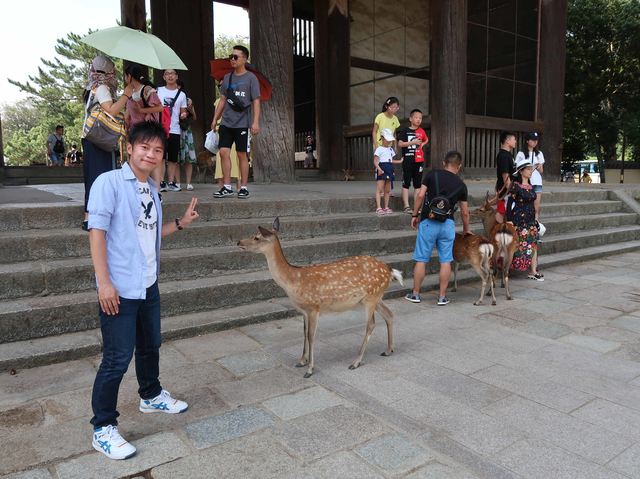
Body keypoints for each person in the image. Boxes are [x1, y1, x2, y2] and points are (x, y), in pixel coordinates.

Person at [87, 121, 199, 460]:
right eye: (144, 148)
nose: (150, 154)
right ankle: (103, 428)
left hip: (147, 283)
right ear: (130, 149)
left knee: (151, 344)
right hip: (119, 288)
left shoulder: (151, 187)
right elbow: (97, 233)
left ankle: (150, 396)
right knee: (117, 359)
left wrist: (180, 223)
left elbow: (149, 233)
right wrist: (103, 282)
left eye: (157, 150)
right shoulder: (109, 183)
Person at [406, 150, 471, 306]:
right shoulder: (462, 186)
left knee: (421, 260)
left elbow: (420, 196)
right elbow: (465, 212)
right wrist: (465, 229)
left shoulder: (431, 174)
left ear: (444, 163)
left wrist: (415, 215)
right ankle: (442, 296)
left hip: (428, 222)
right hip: (447, 225)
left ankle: (415, 294)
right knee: (446, 261)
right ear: (459, 166)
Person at [81, 56, 134, 231]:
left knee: (92, 177)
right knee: (103, 178)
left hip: (90, 136)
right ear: (109, 71)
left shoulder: (91, 86)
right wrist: (127, 94)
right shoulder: (102, 87)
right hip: (100, 139)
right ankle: (99, 216)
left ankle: (89, 217)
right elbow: (111, 109)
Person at [210, 45, 261, 199]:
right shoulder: (227, 78)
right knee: (224, 152)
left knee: (241, 155)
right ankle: (226, 186)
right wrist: (215, 119)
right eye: (231, 56)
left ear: (244, 60)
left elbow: (257, 101)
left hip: (242, 123)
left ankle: (244, 187)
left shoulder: (251, 78)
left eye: (235, 57)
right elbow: (223, 100)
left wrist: (255, 122)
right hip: (226, 122)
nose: (232, 59)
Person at [123, 63, 165, 197]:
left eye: (125, 76)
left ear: (129, 76)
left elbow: (159, 108)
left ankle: (157, 192)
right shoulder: (130, 92)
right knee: (136, 160)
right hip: (135, 131)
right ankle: (139, 189)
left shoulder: (146, 89)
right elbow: (128, 112)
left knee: (152, 160)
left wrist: (141, 110)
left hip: (148, 131)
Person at [506, 157, 544, 281]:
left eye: (531, 169)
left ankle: (533, 271)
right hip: (519, 221)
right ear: (521, 171)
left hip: (530, 221)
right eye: (527, 169)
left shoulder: (531, 186)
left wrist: (535, 219)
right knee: (516, 244)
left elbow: (533, 204)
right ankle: (506, 269)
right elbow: (510, 202)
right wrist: (509, 219)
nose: (530, 171)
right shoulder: (516, 186)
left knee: (533, 244)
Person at [157, 69, 188, 192]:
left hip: (175, 128)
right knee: (161, 156)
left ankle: (171, 181)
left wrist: (184, 115)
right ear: (164, 77)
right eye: (167, 74)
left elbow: (183, 110)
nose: (170, 76)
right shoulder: (158, 91)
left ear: (176, 77)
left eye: (173, 74)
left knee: (173, 158)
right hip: (161, 128)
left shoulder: (181, 95)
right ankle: (161, 181)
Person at [397, 109, 428, 213]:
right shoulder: (405, 131)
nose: (418, 120)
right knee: (406, 183)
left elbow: (426, 139)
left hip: (419, 160)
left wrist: (422, 144)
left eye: (420, 118)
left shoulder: (421, 131)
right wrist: (413, 142)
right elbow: (400, 144)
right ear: (410, 119)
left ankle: (416, 206)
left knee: (418, 184)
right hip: (408, 160)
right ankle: (406, 206)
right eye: (416, 117)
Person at [372, 96, 400, 197]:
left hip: (389, 146)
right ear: (386, 106)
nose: (394, 111)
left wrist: (395, 146)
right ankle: (380, 190)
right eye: (392, 108)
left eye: (396, 109)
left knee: (388, 168)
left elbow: (395, 133)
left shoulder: (395, 119)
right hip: (380, 146)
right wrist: (376, 144)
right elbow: (374, 131)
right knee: (380, 168)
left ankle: (387, 190)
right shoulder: (380, 116)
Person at [516, 131, 544, 221]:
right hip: (525, 182)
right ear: (527, 141)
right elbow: (517, 168)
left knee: (536, 207)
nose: (535, 142)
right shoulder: (521, 154)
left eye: (536, 140)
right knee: (525, 205)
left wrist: (539, 166)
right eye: (533, 140)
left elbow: (542, 171)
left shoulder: (539, 154)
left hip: (537, 181)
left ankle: (536, 222)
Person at [374, 128, 403, 214]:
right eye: (387, 139)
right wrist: (379, 169)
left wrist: (400, 161)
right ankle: (378, 207)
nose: (389, 141)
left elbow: (390, 160)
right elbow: (375, 161)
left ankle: (386, 206)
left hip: (389, 169)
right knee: (379, 189)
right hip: (382, 168)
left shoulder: (390, 150)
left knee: (387, 190)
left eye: (390, 140)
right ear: (382, 138)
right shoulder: (379, 149)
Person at [176, 79, 197, 190]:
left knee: (189, 159)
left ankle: (189, 183)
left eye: (178, 85)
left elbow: (194, 118)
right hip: (175, 129)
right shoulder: (170, 100)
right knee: (175, 159)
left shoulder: (188, 100)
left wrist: (191, 111)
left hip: (186, 130)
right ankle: (178, 183)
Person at [494, 130, 517, 224]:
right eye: (514, 139)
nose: (515, 141)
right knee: (501, 211)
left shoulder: (508, 154)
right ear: (507, 140)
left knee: (507, 211)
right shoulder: (503, 155)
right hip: (504, 190)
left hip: (508, 189)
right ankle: (495, 231)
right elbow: (505, 176)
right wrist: (511, 190)